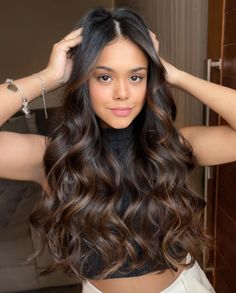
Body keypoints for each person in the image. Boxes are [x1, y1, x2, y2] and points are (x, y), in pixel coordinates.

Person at [0, 6, 235, 293]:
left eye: (136, 77)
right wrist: (49, 77)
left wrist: (174, 74)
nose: (122, 93)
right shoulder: (52, 156)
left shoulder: (171, 146)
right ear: (84, 79)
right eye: (105, 77)